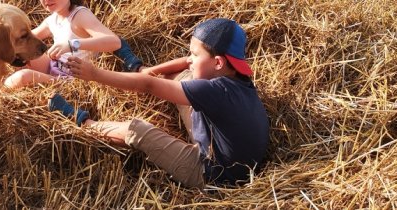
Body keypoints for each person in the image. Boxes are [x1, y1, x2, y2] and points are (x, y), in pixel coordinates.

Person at [48, 18, 269, 188]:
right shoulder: (236, 80)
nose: (189, 59)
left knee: (138, 130)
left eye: (194, 54)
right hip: (225, 152)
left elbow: (147, 86)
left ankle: (85, 124)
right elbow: (183, 64)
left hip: (213, 173)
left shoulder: (214, 90)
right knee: (185, 76)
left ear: (218, 62)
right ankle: (139, 68)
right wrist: (149, 71)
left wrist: (94, 73)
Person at [3, 0, 143, 89]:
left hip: (74, 79)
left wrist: (72, 44)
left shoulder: (80, 16)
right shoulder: (52, 20)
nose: (46, 0)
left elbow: (113, 42)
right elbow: (23, 40)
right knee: (24, 57)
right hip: (55, 66)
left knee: (23, 77)